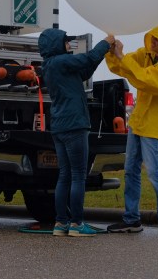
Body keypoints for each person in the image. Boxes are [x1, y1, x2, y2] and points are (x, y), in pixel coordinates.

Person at [105, 21, 158, 236]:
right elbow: (122, 68)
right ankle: (131, 219)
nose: (153, 42)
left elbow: (149, 80)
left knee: (155, 173)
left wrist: (122, 56)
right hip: (139, 122)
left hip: (155, 124)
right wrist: (112, 52)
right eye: (152, 38)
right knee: (130, 171)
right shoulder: (146, 55)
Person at [38, 28, 115, 237]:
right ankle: (77, 224)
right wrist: (106, 43)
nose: (69, 45)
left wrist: (101, 55)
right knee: (79, 175)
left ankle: (60, 223)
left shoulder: (50, 66)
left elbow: (85, 69)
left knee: (64, 175)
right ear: (56, 44)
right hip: (75, 125)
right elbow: (89, 57)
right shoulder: (62, 61)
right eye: (66, 41)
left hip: (59, 127)